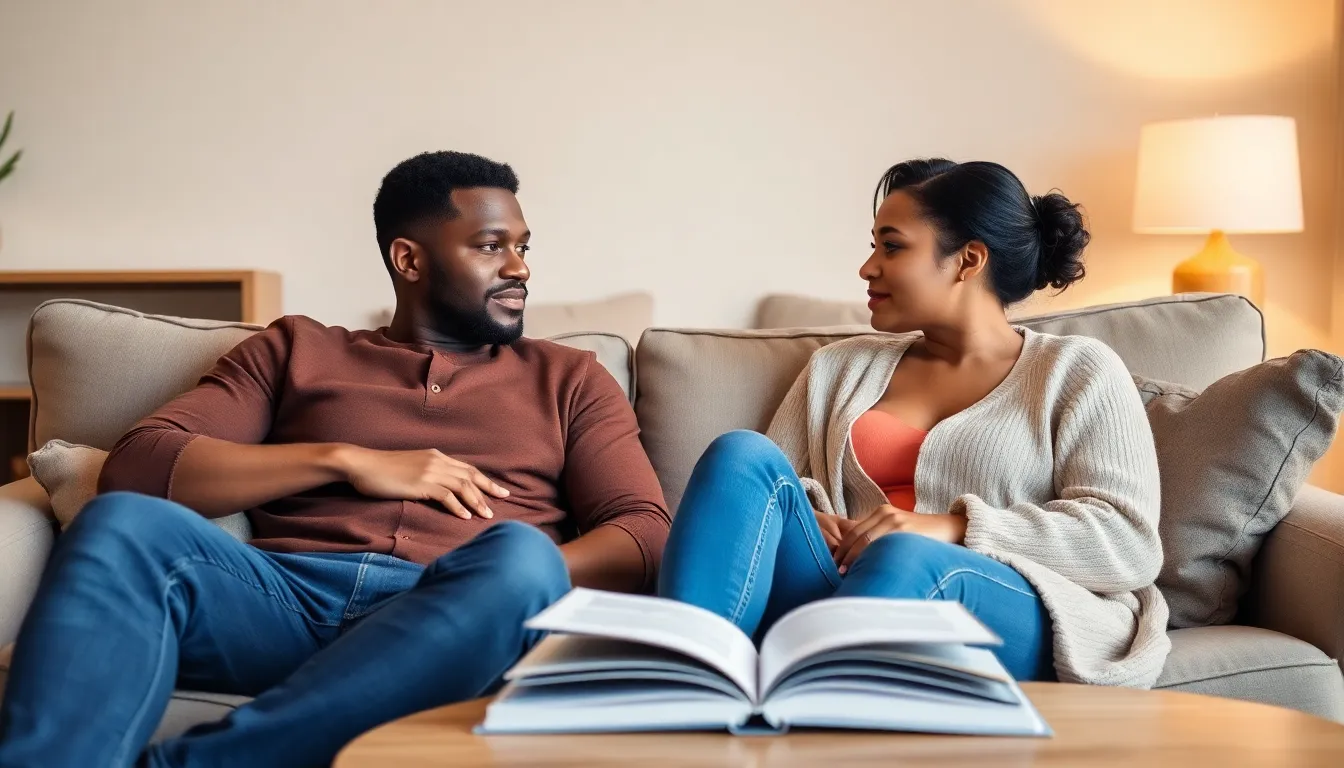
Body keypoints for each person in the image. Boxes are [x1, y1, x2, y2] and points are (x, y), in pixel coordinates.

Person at [0, 151, 671, 767]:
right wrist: (344, 459)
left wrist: (492, 584)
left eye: (523, 247)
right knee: (121, 524)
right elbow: (140, 466)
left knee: (522, 556)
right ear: (410, 260)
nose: (520, 267)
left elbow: (643, 534)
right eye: (491, 246)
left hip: (458, 618)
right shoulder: (295, 350)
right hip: (283, 600)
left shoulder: (570, 378)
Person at [658, 159, 1169, 688]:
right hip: (838, 584)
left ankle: (814, 689)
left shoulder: (1077, 370)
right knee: (740, 454)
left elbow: (1128, 542)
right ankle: (682, 685)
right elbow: (774, 495)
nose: (867, 267)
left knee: (908, 553)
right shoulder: (839, 366)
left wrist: (951, 527)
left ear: (967, 260)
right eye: (873, 245)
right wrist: (815, 516)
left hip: (1003, 604)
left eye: (892, 246)